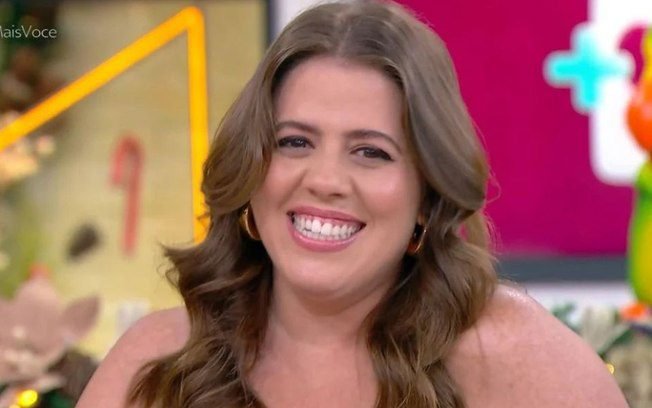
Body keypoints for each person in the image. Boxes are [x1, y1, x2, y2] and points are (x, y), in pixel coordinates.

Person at [77, 1, 628, 407]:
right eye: (295, 142)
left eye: (370, 152)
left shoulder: (513, 358)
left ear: (426, 195)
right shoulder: (158, 363)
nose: (325, 180)